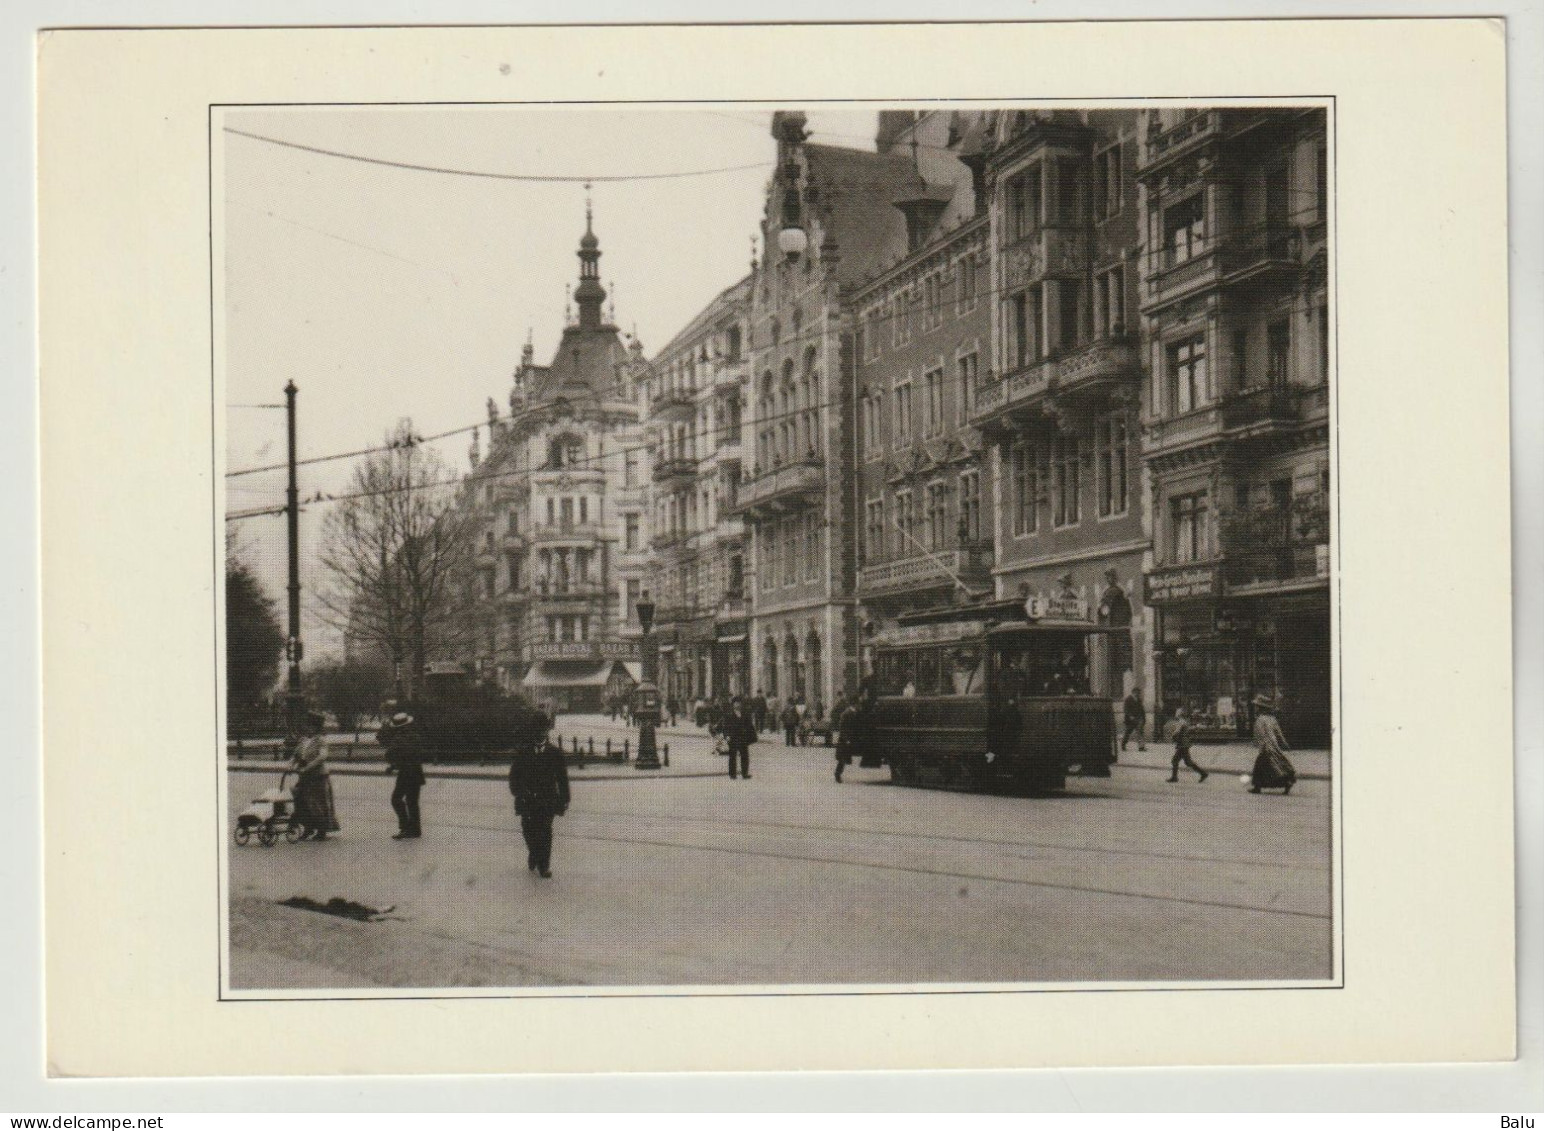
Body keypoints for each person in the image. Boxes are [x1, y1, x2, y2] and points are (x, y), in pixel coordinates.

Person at [507, 714, 570, 877]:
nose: (540, 734)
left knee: (545, 831)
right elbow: (514, 776)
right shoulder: (523, 752)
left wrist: (564, 800)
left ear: (547, 731)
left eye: (543, 730)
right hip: (527, 800)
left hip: (547, 800)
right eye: (537, 730)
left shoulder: (555, 753)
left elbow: (562, 779)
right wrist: (519, 792)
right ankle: (534, 853)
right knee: (528, 830)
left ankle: (544, 865)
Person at [290, 712, 340, 841]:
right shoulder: (303, 741)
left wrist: (308, 767)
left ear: (316, 727)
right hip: (304, 777)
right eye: (307, 726)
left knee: (317, 803)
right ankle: (308, 827)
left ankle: (321, 830)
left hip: (318, 776)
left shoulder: (321, 741)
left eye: (310, 726)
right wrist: (291, 765)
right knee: (302, 802)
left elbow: (322, 757)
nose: (307, 728)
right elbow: (295, 756)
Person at [379, 711, 426, 839]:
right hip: (416, 772)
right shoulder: (416, 737)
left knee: (396, 799)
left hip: (405, 773)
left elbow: (390, 755)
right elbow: (415, 755)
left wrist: (393, 765)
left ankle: (405, 827)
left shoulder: (398, 739)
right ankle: (415, 829)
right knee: (412, 802)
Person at [1249, 695, 1297, 795]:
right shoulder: (1272, 719)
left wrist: (1260, 746)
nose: (1256, 708)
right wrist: (1284, 744)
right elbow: (1279, 733)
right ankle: (1286, 782)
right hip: (1274, 745)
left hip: (1266, 746)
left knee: (1261, 767)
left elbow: (1260, 735)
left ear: (1261, 708)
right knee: (1277, 763)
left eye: (1257, 706)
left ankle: (1258, 787)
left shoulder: (1260, 719)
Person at [833, 685, 871, 783]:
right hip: (846, 739)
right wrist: (846, 739)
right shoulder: (846, 714)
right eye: (858, 703)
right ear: (854, 704)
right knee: (842, 758)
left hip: (852, 738)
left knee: (845, 758)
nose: (859, 705)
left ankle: (838, 773)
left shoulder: (856, 712)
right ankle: (837, 774)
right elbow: (842, 728)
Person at [1166, 708, 1208, 783]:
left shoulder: (1181, 721)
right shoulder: (1184, 721)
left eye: (1177, 712)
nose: (1176, 713)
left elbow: (1177, 731)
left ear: (1179, 714)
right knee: (1186, 762)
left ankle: (1175, 778)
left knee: (1176, 760)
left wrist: (1172, 735)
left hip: (1182, 744)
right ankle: (1203, 773)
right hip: (1184, 743)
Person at [722, 697, 757, 780]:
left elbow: (750, 726)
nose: (738, 704)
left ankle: (745, 773)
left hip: (743, 738)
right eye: (736, 703)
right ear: (733, 704)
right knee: (732, 756)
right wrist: (726, 736)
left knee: (745, 756)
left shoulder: (745, 713)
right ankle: (732, 774)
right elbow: (725, 727)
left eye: (739, 703)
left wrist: (752, 736)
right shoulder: (729, 714)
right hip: (733, 738)